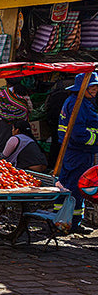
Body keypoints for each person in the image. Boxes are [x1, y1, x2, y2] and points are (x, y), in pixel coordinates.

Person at [57, 72, 98, 234]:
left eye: (96, 87)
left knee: (70, 186)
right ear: (83, 88)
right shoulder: (78, 104)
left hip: (78, 152)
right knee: (74, 186)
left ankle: (67, 221)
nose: (95, 90)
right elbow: (79, 134)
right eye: (91, 87)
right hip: (78, 153)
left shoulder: (82, 102)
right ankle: (67, 222)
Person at [0, 82, 33, 153]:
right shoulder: (25, 99)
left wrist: (6, 113)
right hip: (17, 125)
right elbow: (29, 110)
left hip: (3, 124)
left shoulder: (4, 95)